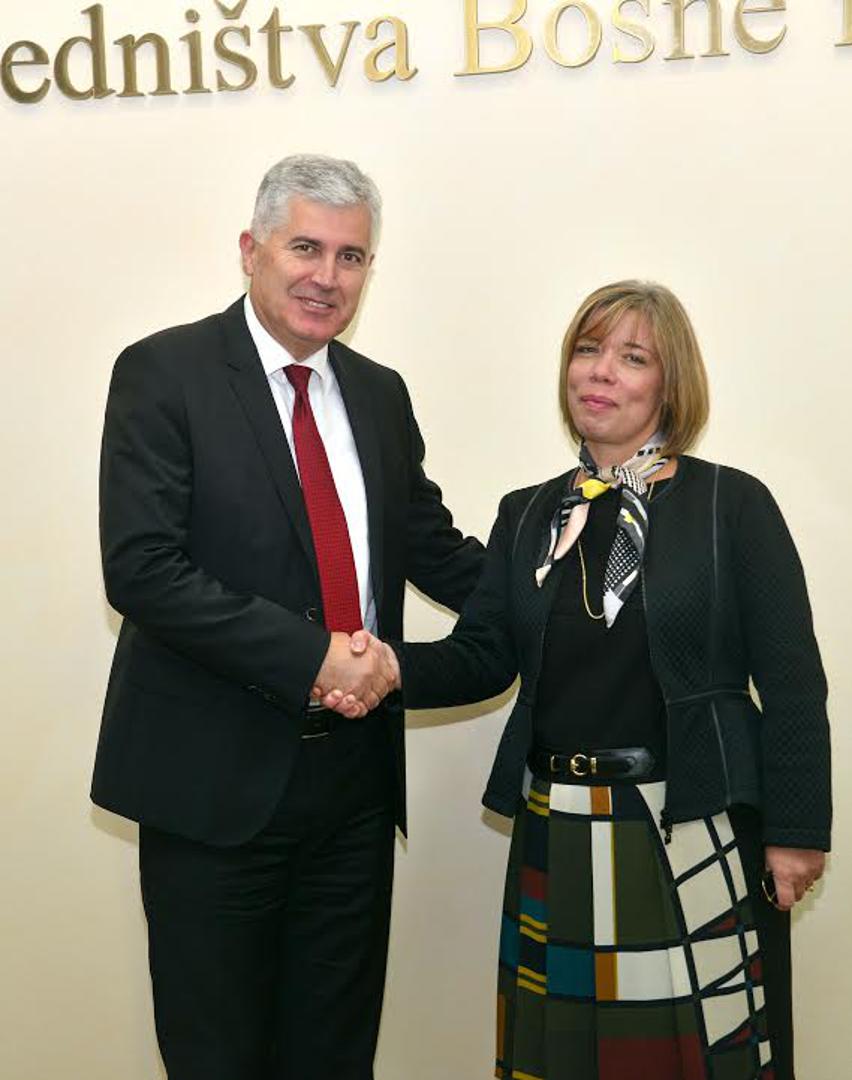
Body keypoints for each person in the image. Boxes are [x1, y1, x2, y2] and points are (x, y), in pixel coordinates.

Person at [329, 280, 831, 1080]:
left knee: (701, 1059)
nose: (600, 371)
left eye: (632, 358)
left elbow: (795, 684)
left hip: (691, 824)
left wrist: (798, 830)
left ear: (671, 384)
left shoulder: (731, 506)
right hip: (556, 824)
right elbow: (483, 655)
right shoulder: (529, 514)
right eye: (588, 350)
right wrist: (389, 666)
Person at [91, 153, 483, 1080]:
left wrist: (569, 587)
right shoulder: (163, 372)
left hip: (352, 795)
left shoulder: (379, 394)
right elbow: (142, 570)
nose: (327, 277)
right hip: (213, 791)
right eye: (306, 248)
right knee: (218, 1057)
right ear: (251, 249)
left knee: (335, 1056)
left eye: (351, 257)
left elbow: (434, 549)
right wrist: (315, 656)